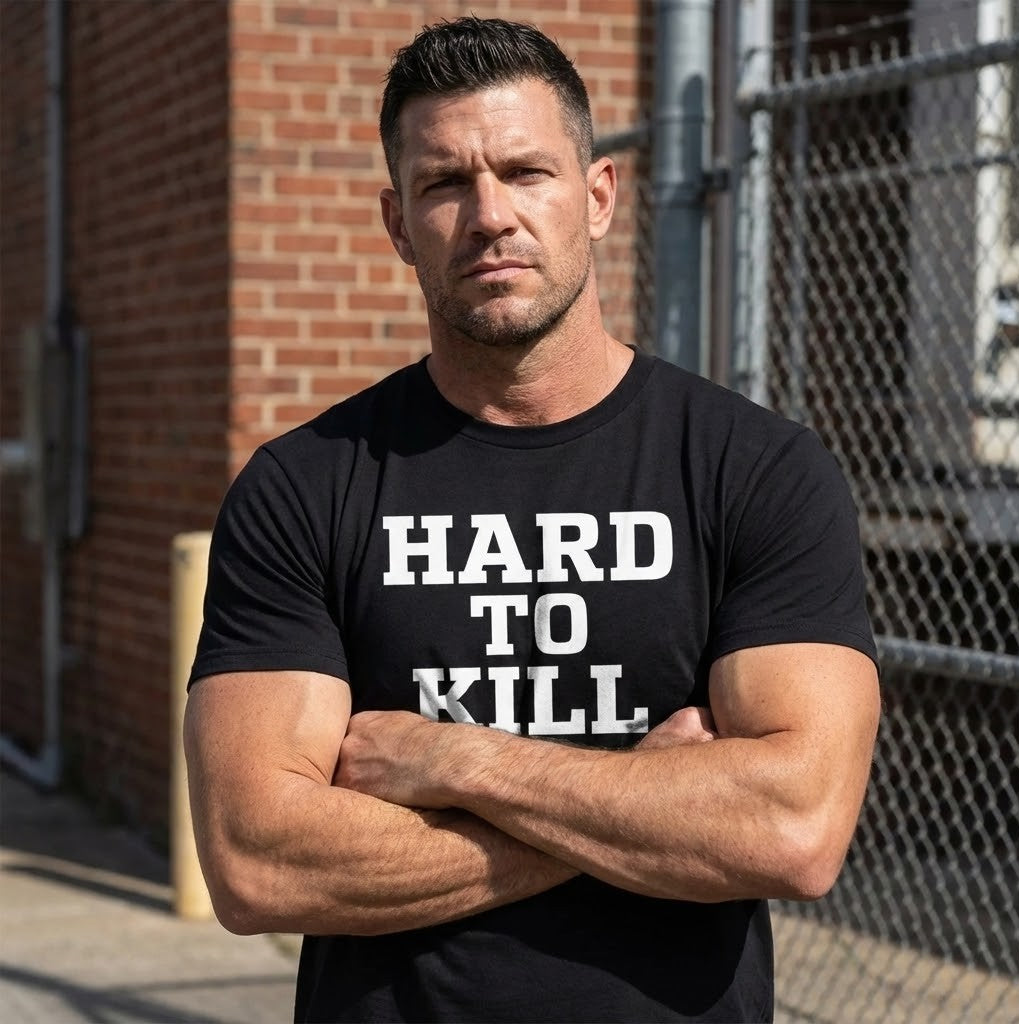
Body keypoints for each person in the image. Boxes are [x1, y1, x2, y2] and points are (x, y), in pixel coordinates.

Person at [184, 16, 880, 1024]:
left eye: (525, 172)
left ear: (597, 197)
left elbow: (791, 829)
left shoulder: (755, 469)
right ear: (395, 222)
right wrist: (640, 806)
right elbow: (257, 858)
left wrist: (452, 760)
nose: (489, 215)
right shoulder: (305, 488)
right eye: (443, 184)